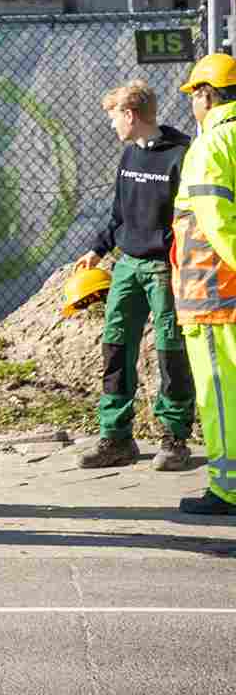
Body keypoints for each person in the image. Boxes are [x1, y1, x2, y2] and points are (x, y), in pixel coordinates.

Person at [69, 81, 199, 473]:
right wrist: (97, 250)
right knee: (114, 345)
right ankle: (116, 436)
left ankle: (175, 438)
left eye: (113, 117)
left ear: (131, 115)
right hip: (127, 264)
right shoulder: (128, 156)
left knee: (170, 350)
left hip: (164, 267)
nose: (112, 126)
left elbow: (189, 218)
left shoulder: (181, 155)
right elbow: (117, 215)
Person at [173, 51, 236, 519]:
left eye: (194, 95)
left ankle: (228, 488)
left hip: (217, 293)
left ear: (205, 94)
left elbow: (216, 221)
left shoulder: (212, 145)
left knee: (220, 389)